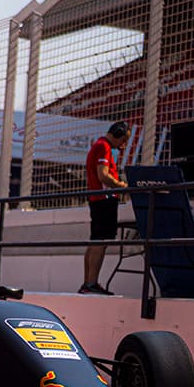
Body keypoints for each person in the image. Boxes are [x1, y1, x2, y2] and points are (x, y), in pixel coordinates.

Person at [80, 121, 129, 294]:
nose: (122, 146)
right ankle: (91, 283)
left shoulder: (99, 145)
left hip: (98, 199)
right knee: (100, 242)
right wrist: (121, 186)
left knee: (95, 241)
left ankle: (88, 283)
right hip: (104, 199)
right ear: (117, 134)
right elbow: (103, 175)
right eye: (122, 140)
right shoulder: (104, 147)